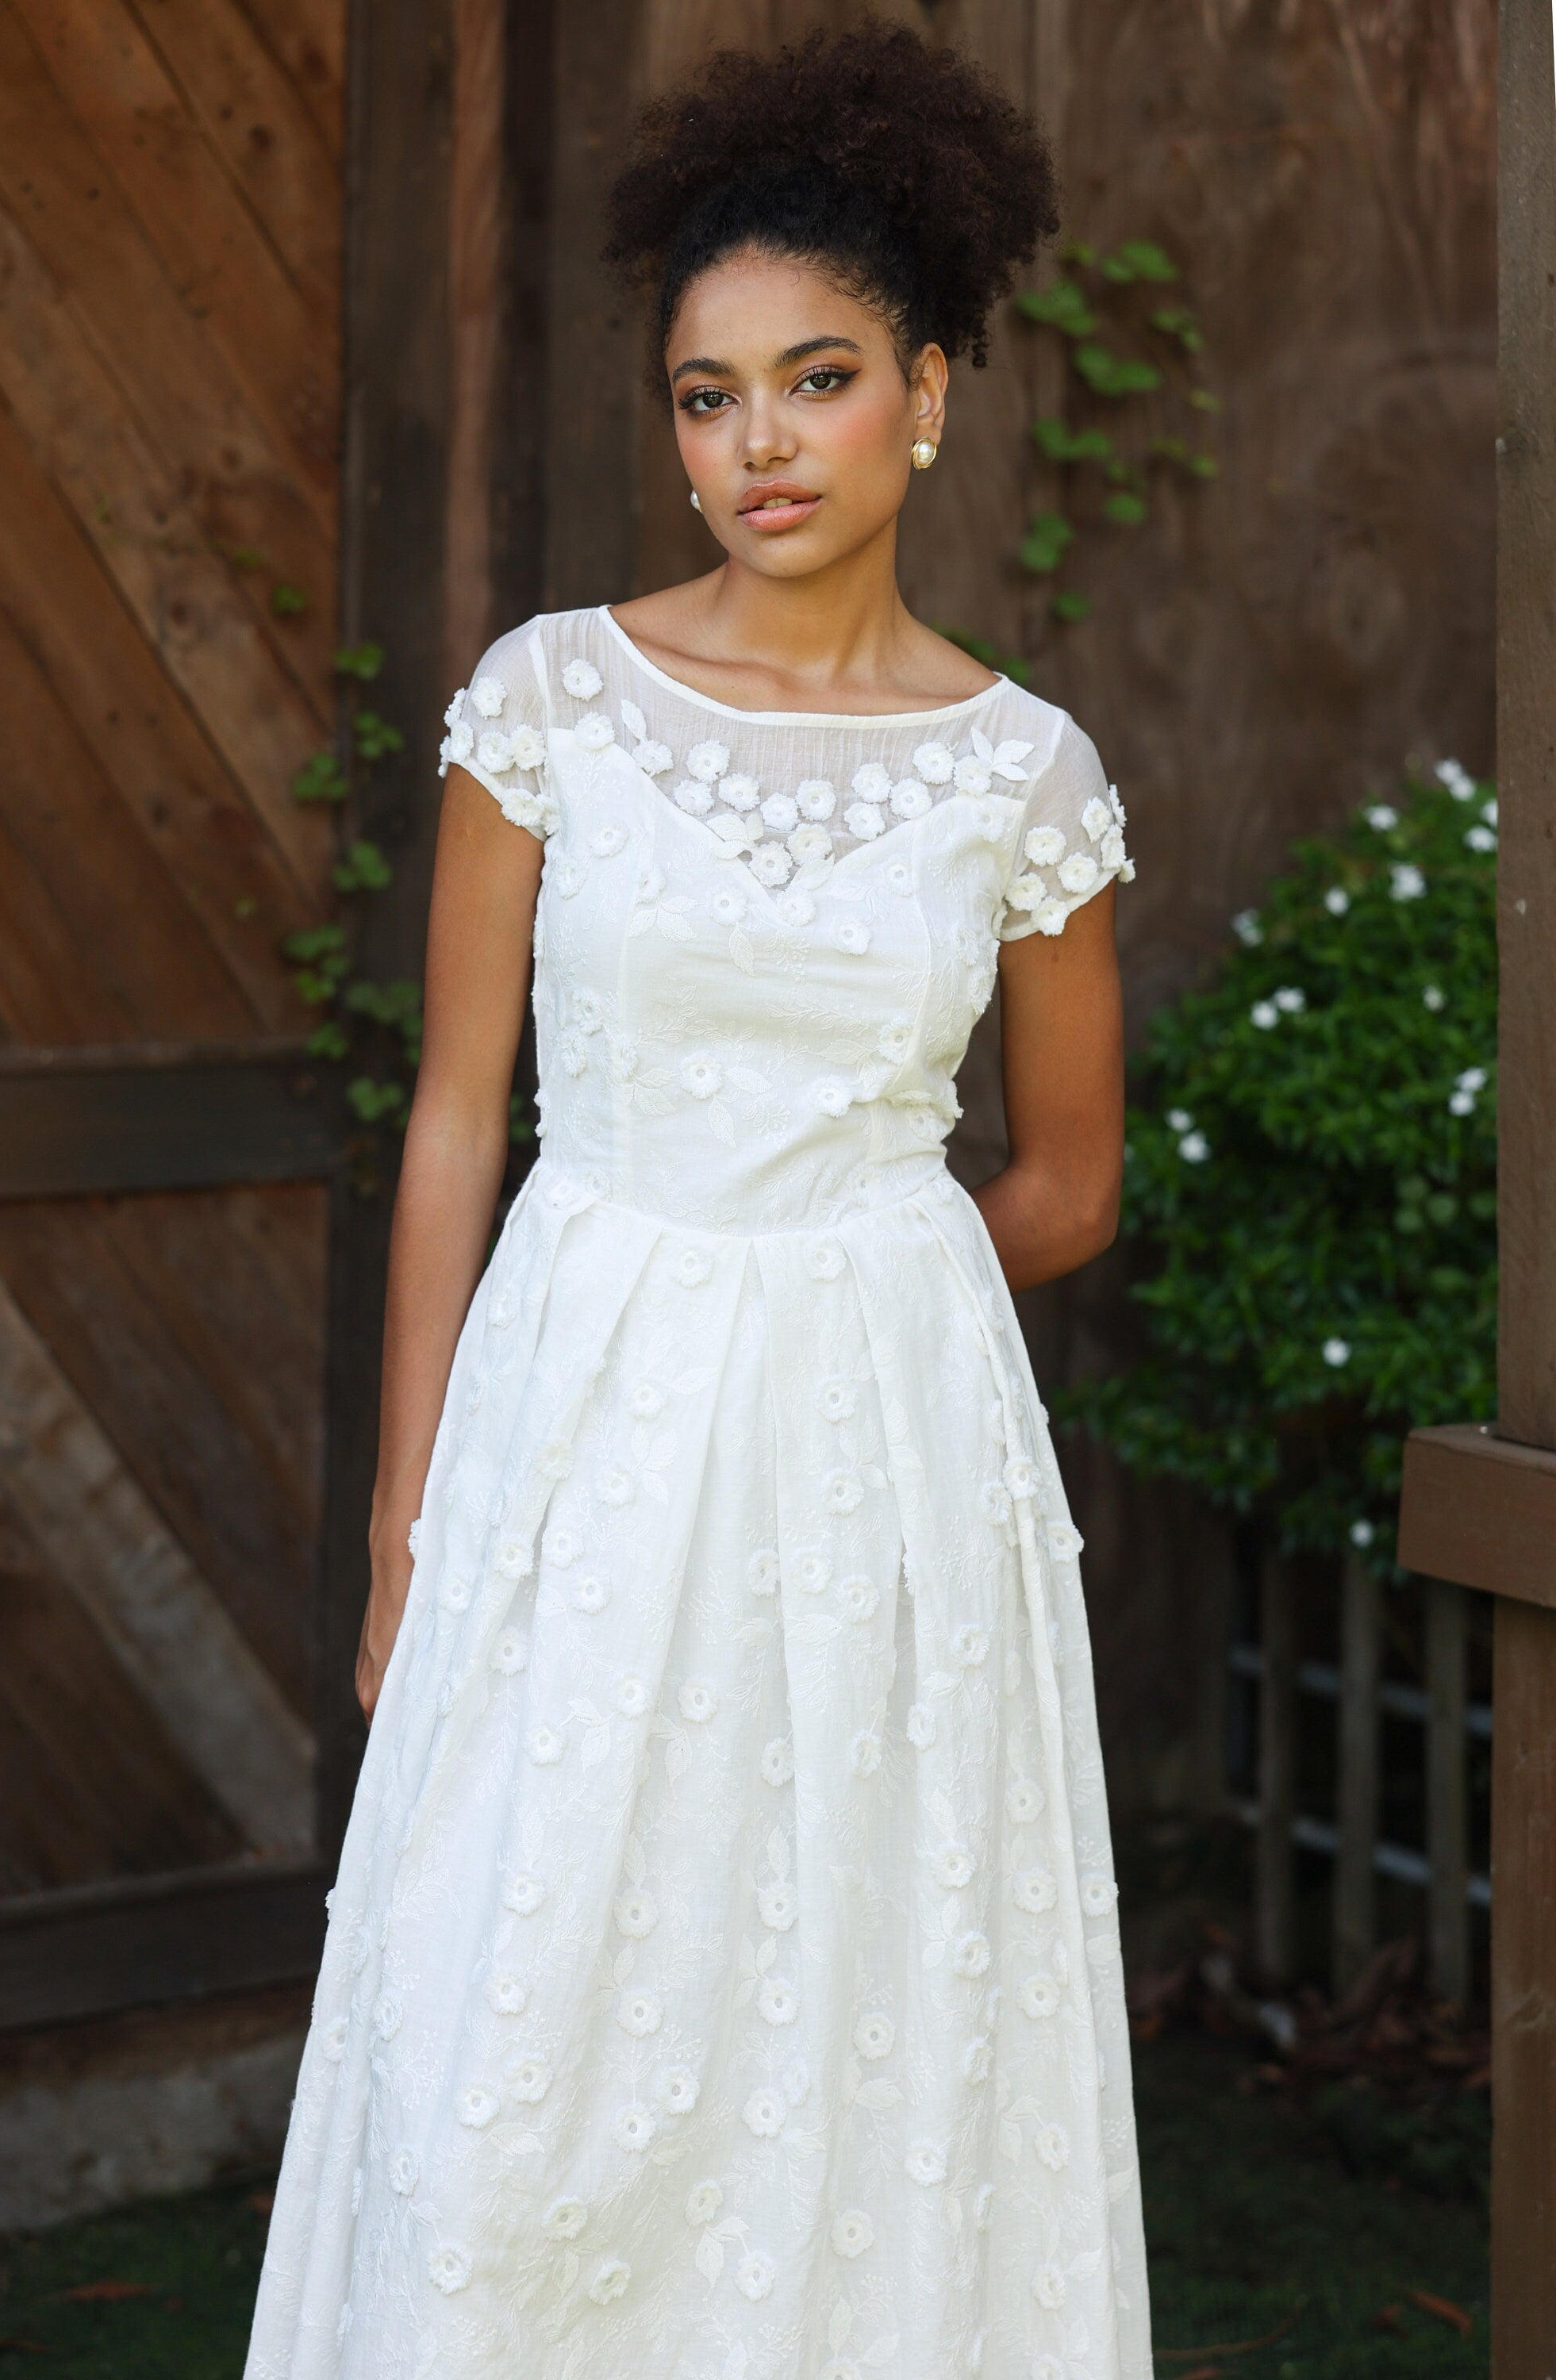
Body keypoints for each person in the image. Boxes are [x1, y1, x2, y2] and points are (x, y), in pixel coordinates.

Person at [246, 25, 1150, 2379]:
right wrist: (407, 1517)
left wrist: (857, 1270)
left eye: (818, 380)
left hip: (883, 1468)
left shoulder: (1024, 776)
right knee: (513, 2024)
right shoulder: (552, 702)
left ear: (927, 392)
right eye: (708, 394)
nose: (760, 442)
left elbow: (1070, 1180)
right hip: (580, 1434)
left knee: (846, 2009)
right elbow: (459, 1120)